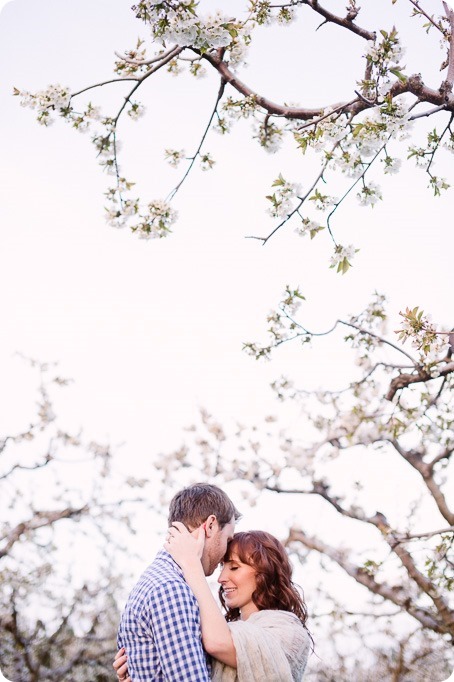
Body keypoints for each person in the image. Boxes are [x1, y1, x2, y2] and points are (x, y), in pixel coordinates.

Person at [115, 525, 312, 681]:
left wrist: (191, 563)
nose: (221, 578)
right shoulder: (224, 629)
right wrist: (141, 669)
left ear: (266, 572)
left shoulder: (290, 633)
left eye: (234, 567)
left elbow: (219, 643)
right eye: (222, 567)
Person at [116, 483, 241, 681]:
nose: (225, 552)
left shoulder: (156, 580)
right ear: (210, 525)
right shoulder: (171, 589)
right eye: (227, 539)